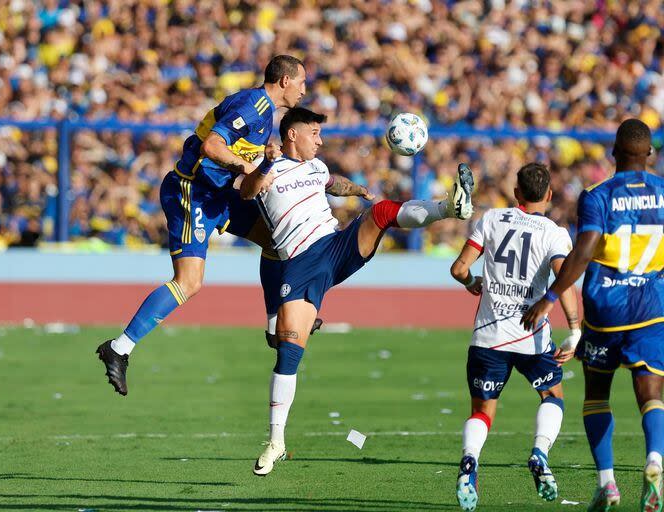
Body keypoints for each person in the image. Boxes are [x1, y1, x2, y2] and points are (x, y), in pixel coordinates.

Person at [240, 107, 474, 475]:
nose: (319, 140)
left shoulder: (316, 168)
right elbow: (247, 191)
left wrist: (358, 190)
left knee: (380, 212)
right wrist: (266, 164)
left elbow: (334, 183)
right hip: (299, 264)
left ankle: (448, 207)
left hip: (334, 246)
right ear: (292, 136)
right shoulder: (267, 167)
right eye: (314, 133)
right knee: (288, 352)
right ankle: (276, 441)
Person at [96, 55, 306, 396]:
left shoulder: (263, 111)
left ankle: (273, 327)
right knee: (189, 282)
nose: (304, 90)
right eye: (302, 82)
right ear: (284, 81)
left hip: (217, 193)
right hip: (192, 192)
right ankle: (118, 348)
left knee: (276, 243)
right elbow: (212, 146)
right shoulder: (254, 107)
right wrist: (247, 168)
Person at [522, 119, 664, 512]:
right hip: (652, 308)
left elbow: (584, 250)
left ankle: (607, 484)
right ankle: (654, 461)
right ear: (649, 153)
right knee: (651, 393)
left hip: (605, 312)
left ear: (615, 151)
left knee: (597, 395)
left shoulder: (598, 195)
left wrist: (551, 297)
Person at [449, 162, 581, 511]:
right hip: (531, 337)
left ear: (516, 193)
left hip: (487, 337)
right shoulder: (554, 232)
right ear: (549, 195)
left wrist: (471, 282)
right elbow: (563, 279)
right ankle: (539, 452)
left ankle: (469, 465)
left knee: (482, 410)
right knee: (552, 394)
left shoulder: (491, 219)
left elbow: (459, 268)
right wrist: (574, 329)